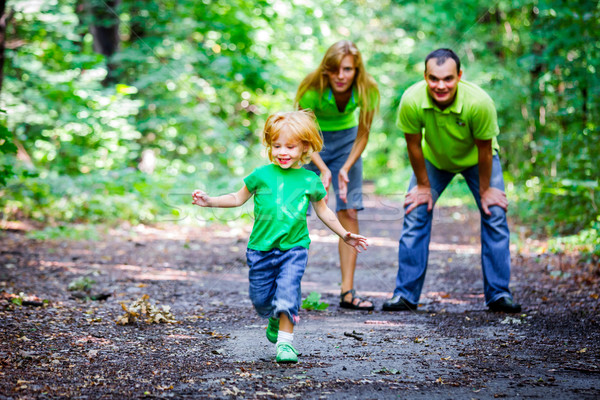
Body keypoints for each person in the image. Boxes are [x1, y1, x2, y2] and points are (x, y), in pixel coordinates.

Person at [192, 110, 369, 363]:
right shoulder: (261, 175)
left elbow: (324, 212)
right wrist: (209, 201)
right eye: (277, 146)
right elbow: (236, 198)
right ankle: (273, 317)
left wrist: (344, 234)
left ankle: (285, 345)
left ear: (305, 147)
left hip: (293, 249)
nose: (282, 152)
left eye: (290, 146)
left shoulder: (310, 179)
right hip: (260, 249)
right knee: (261, 300)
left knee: (287, 293)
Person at [383, 48, 522, 313]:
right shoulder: (412, 100)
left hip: (477, 160)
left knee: (494, 211)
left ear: (459, 76)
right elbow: (413, 146)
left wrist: (485, 190)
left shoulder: (479, 103)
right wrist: (423, 187)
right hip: (434, 160)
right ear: (425, 77)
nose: (440, 85)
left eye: (447, 78)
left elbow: (484, 148)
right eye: (434, 78)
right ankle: (405, 295)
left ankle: (498, 295)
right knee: (415, 209)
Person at [295, 40, 379, 311]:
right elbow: (300, 132)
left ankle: (347, 292)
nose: (340, 76)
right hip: (311, 141)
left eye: (347, 69)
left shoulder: (368, 89)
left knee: (349, 212)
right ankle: (287, 289)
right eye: (334, 70)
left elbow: (363, 133)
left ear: (356, 69)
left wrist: (345, 166)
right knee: (297, 213)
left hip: (348, 142)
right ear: (326, 70)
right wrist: (321, 166)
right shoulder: (311, 89)